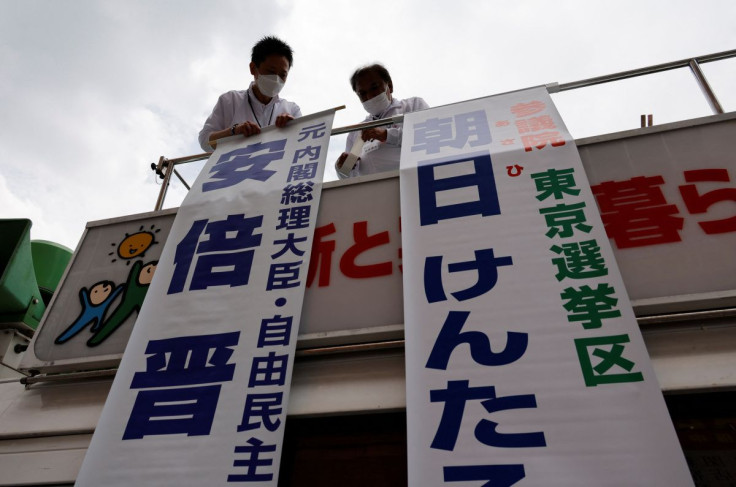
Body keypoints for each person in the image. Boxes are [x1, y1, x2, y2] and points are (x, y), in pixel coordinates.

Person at [198, 36, 302, 152]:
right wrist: (233, 131)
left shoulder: (292, 110)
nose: (276, 79)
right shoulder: (230, 100)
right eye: (271, 72)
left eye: (283, 75)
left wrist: (294, 128)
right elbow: (205, 142)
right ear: (253, 68)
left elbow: (302, 145)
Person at [335, 64, 428, 178]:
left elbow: (429, 136)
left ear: (390, 86)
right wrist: (341, 168)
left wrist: (386, 135)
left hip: (413, 181)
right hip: (372, 192)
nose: (369, 96)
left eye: (374, 87)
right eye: (362, 94)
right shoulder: (355, 132)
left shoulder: (413, 105)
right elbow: (347, 178)